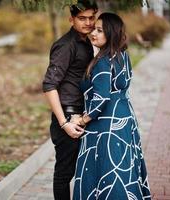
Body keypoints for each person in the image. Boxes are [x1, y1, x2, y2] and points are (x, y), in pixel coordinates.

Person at [72, 12, 151, 199]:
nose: (94, 33)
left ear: (112, 33)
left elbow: (101, 98)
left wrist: (82, 119)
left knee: (108, 175)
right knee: (123, 171)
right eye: (94, 29)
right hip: (125, 120)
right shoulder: (123, 56)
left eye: (100, 30)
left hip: (105, 126)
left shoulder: (102, 62)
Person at [42, 1, 98, 199]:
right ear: (71, 19)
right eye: (82, 18)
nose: (88, 22)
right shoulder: (66, 45)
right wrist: (64, 122)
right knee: (64, 174)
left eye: (91, 18)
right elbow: (49, 85)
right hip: (67, 116)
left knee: (79, 171)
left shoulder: (86, 42)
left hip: (80, 113)